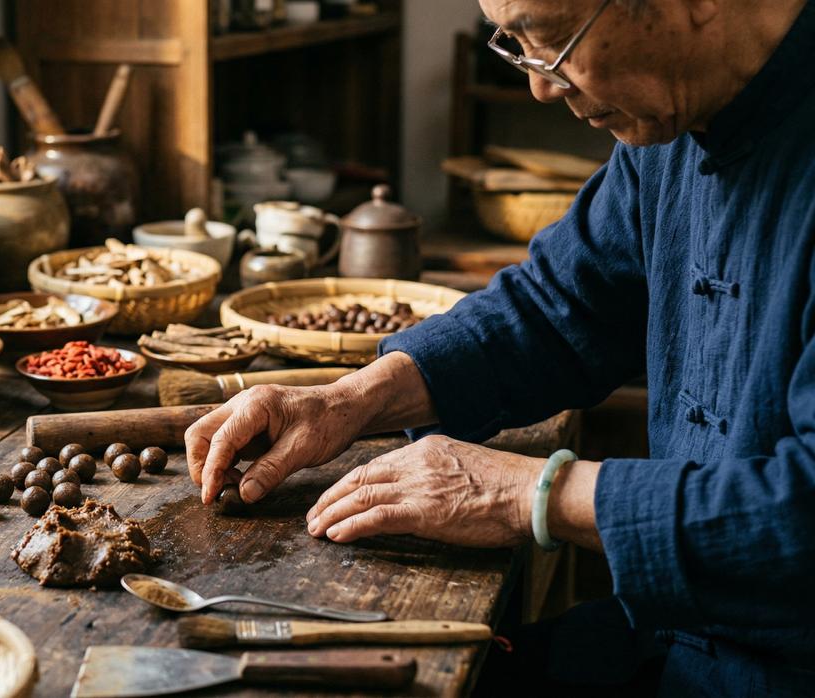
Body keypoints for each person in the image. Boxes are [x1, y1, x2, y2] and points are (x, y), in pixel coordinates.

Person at [184, 0, 815, 694]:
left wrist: (531, 494)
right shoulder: (672, 123)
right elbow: (558, 306)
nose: (541, 85)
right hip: (679, 638)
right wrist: (352, 398)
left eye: (549, 40)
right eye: (513, 44)